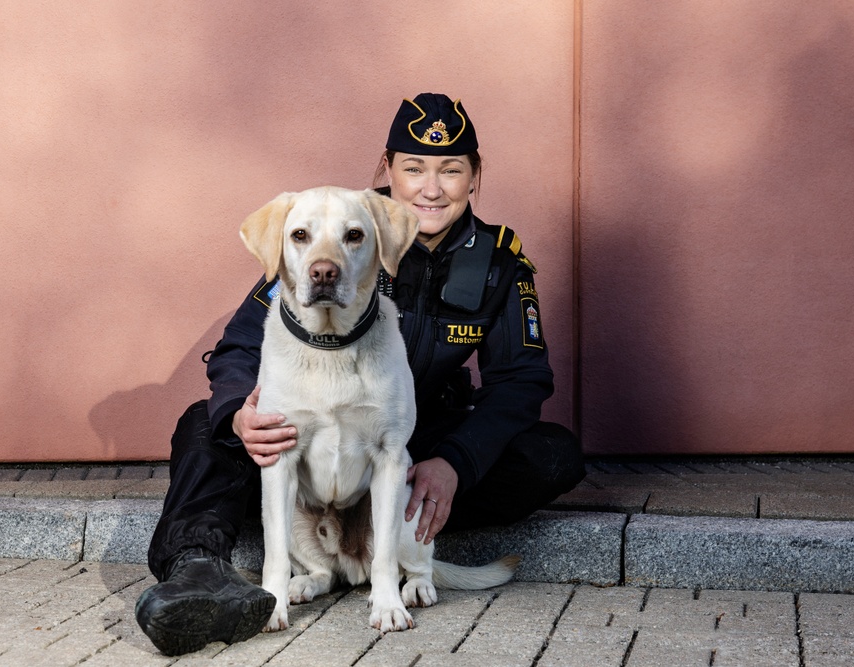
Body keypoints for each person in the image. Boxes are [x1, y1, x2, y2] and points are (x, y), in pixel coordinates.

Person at [135, 93, 586, 656]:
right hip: (302, 450)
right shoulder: (339, 227)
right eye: (414, 168)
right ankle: (198, 569)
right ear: (388, 170)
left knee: (553, 453)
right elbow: (239, 347)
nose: (431, 187)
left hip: (411, 444)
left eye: (451, 171)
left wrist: (454, 463)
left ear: (474, 178)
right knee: (205, 422)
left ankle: (400, 542)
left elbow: (520, 382)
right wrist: (240, 415)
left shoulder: (497, 263)